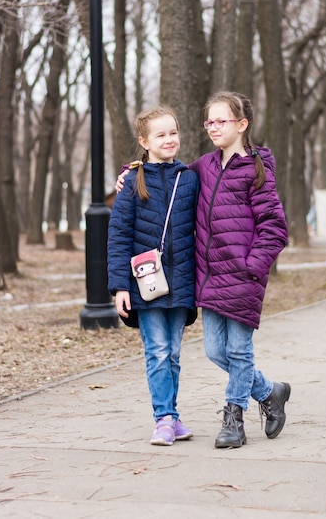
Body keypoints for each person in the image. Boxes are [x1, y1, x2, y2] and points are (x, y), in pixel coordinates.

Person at [116, 91, 290, 449]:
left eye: (220, 121)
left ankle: (234, 417)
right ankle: (269, 391)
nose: (212, 127)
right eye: (208, 121)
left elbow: (275, 227)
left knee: (239, 351)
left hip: (242, 278)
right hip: (209, 279)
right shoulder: (203, 168)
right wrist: (127, 173)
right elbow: (159, 171)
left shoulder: (256, 170)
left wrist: (252, 267)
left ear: (241, 125)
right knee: (214, 351)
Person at [107, 106, 199, 447]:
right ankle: (162, 418)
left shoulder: (189, 178)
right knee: (157, 351)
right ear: (144, 141)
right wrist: (118, 287)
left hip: (182, 281)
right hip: (144, 284)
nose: (169, 139)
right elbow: (118, 235)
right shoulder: (132, 181)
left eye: (173, 132)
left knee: (173, 353)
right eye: (160, 135)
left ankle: (172, 416)